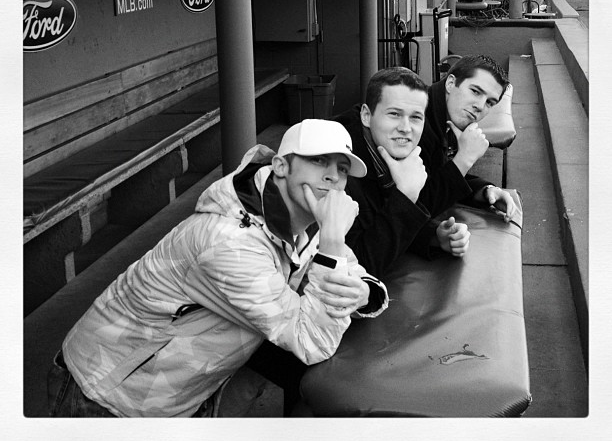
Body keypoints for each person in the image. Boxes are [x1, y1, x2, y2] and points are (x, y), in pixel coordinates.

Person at [47, 119, 389, 417]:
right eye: (318, 161)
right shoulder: (229, 241)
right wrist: (333, 246)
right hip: (106, 393)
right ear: (282, 166)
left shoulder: (305, 220)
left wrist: (363, 293)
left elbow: (351, 273)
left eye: (342, 168)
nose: (333, 177)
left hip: (175, 390)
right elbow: (311, 340)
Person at [333, 67, 471, 278]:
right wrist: (405, 196)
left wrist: (433, 236)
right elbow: (357, 268)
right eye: (394, 114)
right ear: (366, 116)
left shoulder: (387, 149)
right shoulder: (336, 167)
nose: (406, 128)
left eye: (416, 117)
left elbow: (378, 219)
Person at [417, 54, 517, 222]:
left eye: (490, 103)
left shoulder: (447, 116)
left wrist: (486, 191)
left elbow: (441, 174)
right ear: (450, 83)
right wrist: (465, 159)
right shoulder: (416, 122)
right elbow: (419, 210)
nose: (480, 106)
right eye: (475, 91)